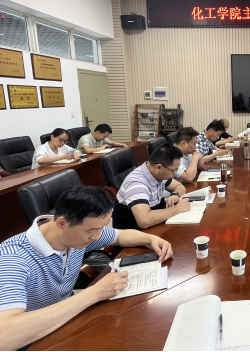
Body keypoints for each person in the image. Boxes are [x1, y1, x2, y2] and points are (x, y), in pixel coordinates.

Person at [0, 186, 173, 351]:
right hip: (33, 340)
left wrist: (151, 239)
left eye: (101, 228)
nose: (97, 237)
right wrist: (95, 293)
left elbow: (120, 235)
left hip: (70, 320)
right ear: (61, 223)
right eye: (92, 231)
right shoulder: (12, 258)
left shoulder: (75, 234)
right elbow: (5, 337)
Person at [112, 143, 191, 230]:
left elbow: (179, 186)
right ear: (158, 167)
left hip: (155, 226)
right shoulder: (137, 183)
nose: (174, 174)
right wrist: (177, 209)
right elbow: (144, 221)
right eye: (173, 170)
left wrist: (175, 194)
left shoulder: (158, 173)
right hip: (134, 234)